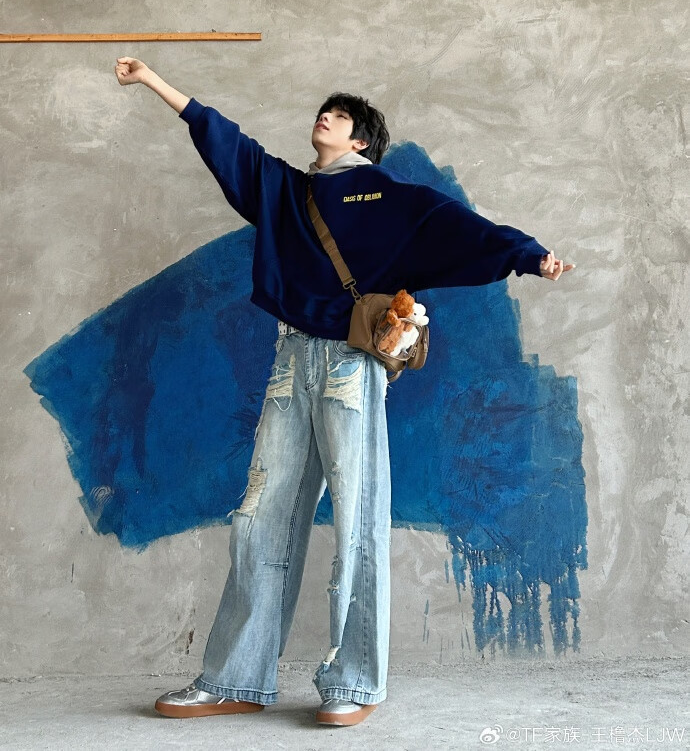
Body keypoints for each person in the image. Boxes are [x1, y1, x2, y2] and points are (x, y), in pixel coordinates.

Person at [114, 56, 575, 728]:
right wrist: (154, 80)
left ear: (360, 140)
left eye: (339, 115)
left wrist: (530, 255)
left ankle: (354, 683)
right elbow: (225, 140)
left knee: (358, 520)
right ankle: (234, 677)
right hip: (289, 361)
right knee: (259, 518)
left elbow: (465, 229)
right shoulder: (285, 191)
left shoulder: (392, 197)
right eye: (323, 111)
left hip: (351, 367)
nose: (324, 117)